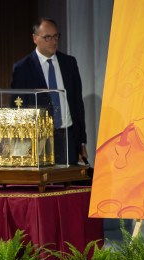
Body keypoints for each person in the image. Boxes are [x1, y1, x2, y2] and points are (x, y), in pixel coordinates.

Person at [11, 17, 88, 165]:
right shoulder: (23, 68)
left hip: (68, 136)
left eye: (55, 36)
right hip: (39, 139)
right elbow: (17, 107)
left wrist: (82, 141)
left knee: (68, 184)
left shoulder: (69, 63)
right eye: (47, 37)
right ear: (35, 38)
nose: (53, 41)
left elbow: (77, 103)